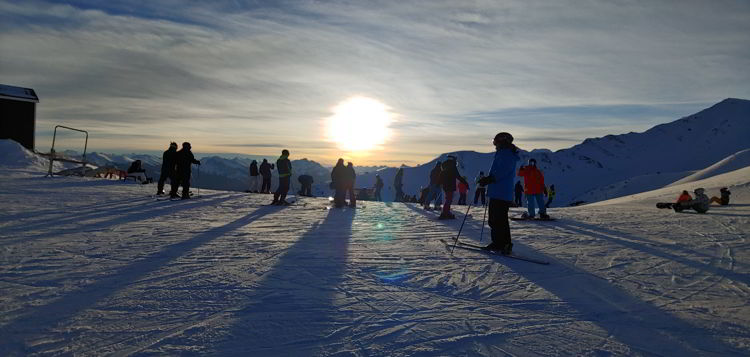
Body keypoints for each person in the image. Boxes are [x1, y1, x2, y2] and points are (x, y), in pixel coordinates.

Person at [478, 132, 520, 255]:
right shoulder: (503, 153)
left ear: (503, 142)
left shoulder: (507, 154)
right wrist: (488, 178)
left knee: (499, 220)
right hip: (498, 191)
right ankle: (498, 243)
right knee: (494, 220)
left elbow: (502, 171)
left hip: (501, 191)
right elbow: (498, 171)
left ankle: (504, 244)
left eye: (496, 142)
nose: (495, 145)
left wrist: (490, 179)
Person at [438, 155, 468, 219]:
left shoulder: (444, 165)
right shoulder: (452, 166)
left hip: (445, 185)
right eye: (455, 159)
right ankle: (445, 213)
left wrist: (441, 183)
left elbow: (441, 175)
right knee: (449, 199)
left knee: (448, 199)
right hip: (450, 185)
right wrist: (465, 183)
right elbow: (458, 176)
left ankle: (446, 212)